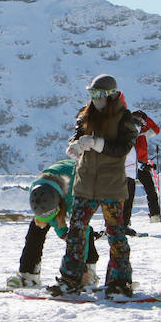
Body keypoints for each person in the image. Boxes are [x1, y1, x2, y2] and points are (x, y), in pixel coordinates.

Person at [54, 74, 140, 296]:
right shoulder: (85, 115)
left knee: (116, 232)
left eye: (99, 94)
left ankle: (120, 281)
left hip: (111, 184)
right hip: (85, 183)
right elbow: (76, 136)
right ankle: (71, 278)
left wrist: (98, 144)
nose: (95, 98)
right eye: (92, 93)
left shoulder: (124, 117)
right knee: (76, 232)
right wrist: (75, 146)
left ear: (111, 94)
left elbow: (123, 147)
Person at [8, 156, 97, 289]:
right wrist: (62, 232)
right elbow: (47, 217)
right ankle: (28, 274)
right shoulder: (37, 191)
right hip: (60, 184)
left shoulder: (75, 192)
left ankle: (88, 272)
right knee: (36, 228)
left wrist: (81, 267)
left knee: (80, 228)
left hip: (87, 181)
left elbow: (82, 229)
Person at [124, 108, 161, 226]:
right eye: (137, 118)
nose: (139, 120)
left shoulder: (143, 130)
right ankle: (125, 219)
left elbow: (156, 130)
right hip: (132, 165)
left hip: (142, 164)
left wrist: (147, 119)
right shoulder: (129, 132)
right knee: (128, 193)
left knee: (150, 190)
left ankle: (155, 215)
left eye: (140, 119)